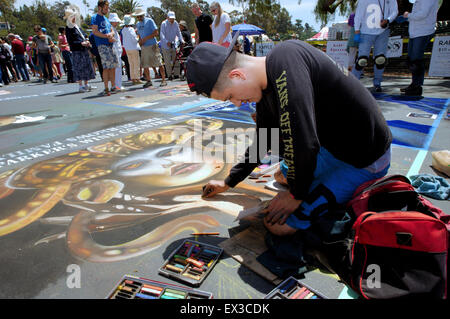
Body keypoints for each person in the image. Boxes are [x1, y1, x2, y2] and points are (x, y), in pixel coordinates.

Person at [187, 33, 392, 237]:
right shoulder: (267, 87)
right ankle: (311, 186)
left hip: (364, 160)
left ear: (237, 75)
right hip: (333, 149)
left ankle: (340, 190)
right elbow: (264, 140)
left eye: (230, 96)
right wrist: (229, 181)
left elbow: (305, 142)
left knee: (278, 226)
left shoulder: (288, 61)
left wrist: (295, 195)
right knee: (281, 175)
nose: (237, 103)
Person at [352, 0, 398, 92]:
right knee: (362, 60)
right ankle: (352, 82)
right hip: (366, 32)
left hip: (382, 32)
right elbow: (358, 15)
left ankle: (377, 83)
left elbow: (395, 11)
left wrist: (388, 19)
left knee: (380, 60)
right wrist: (357, 31)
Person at [402, 0, 440, 96]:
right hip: (415, 32)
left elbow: (423, 14)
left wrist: (408, 16)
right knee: (411, 59)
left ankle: (417, 86)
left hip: (423, 31)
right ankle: (414, 84)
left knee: (416, 60)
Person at [65, 5, 96, 93]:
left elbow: (83, 35)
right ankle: (80, 85)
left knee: (86, 67)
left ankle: (86, 84)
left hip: (83, 49)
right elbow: (71, 41)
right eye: (72, 16)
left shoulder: (76, 26)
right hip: (77, 50)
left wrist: (86, 40)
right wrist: (81, 43)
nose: (74, 18)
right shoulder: (68, 28)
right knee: (79, 68)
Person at [133, 7, 167, 88]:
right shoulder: (138, 24)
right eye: (137, 16)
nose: (139, 18)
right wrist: (140, 41)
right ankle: (148, 81)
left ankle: (163, 80)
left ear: (143, 15)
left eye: (140, 16)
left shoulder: (149, 21)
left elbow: (156, 32)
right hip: (144, 46)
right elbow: (140, 35)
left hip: (152, 45)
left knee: (158, 62)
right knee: (145, 64)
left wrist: (146, 38)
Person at [91, 0, 118, 96]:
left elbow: (112, 30)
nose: (107, 10)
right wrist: (106, 36)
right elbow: (94, 31)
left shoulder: (106, 19)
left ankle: (113, 86)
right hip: (102, 45)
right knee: (106, 67)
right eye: (105, 8)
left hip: (110, 45)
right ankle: (106, 87)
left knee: (113, 66)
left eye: (107, 8)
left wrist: (111, 34)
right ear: (100, 8)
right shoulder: (95, 18)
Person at [160, 11, 184, 80]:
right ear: (167, 18)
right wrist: (166, 42)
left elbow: (178, 33)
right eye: (171, 18)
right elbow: (162, 34)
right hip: (165, 45)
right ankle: (169, 74)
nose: (172, 20)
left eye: (173, 18)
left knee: (176, 59)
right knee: (167, 61)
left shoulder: (176, 23)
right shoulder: (163, 24)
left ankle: (176, 74)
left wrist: (181, 40)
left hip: (173, 44)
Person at [121, 14, 142, 85]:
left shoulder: (123, 30)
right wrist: (138, 37)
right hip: (133, 48)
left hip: (127, 49)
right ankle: (137, 78)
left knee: (131, 64)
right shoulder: (131, 29)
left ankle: (133, 78)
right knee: (136, 63)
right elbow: (134, 40)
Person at [109, 12, 124, 92]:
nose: (117, 22)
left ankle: (117, 85)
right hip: (115, 51)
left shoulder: (114, 29)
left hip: (117, 51)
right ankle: (117, 85)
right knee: (117, 69)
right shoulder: (111, 29)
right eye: (116, 21)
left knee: (118, 69)